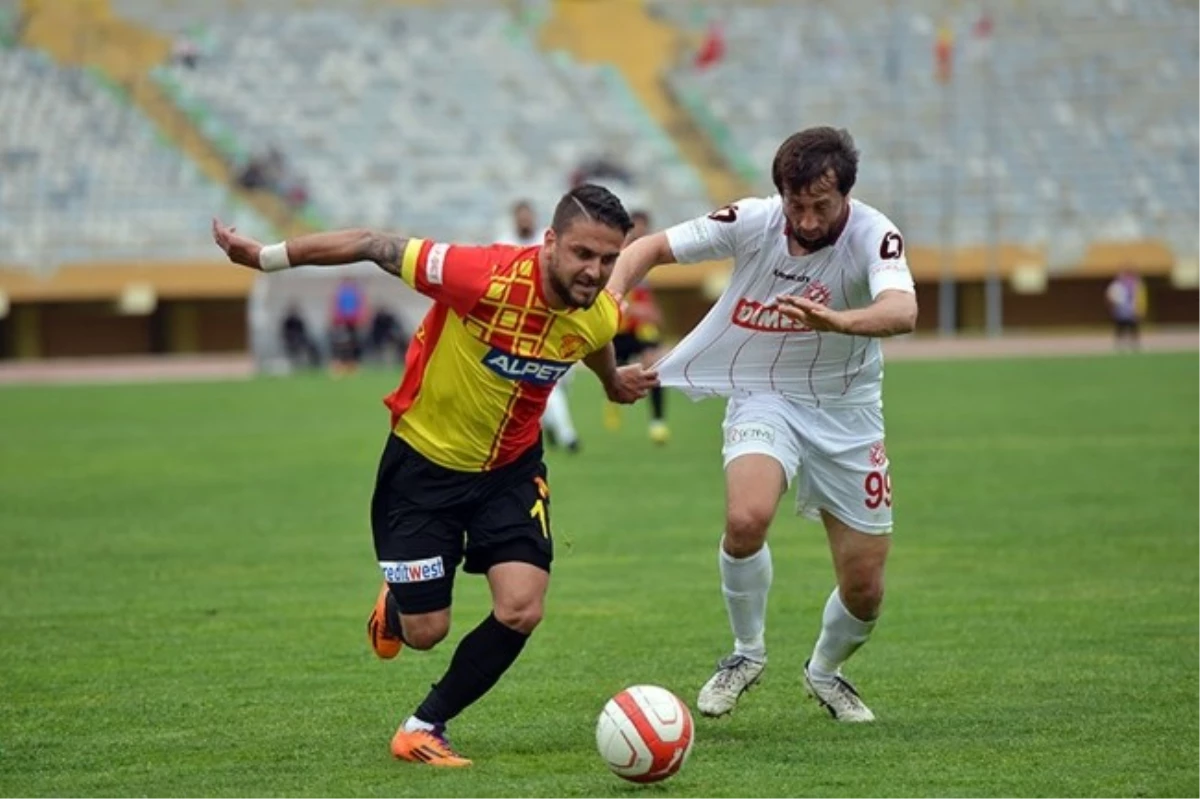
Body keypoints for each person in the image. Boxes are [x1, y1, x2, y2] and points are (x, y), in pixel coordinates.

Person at [212, 184, 657, 766]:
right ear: (550, 242)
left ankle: (423, 726)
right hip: (423, 466)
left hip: (512, 471)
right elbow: (373, 244)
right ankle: (398, 607)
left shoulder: (598, 310)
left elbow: (595, 337)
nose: (595, 271)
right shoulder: (479, 275)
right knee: (425, 632)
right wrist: (266, 258)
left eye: (607, 259)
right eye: (582, 254)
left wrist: (611, 380)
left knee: (522, 606)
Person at [608, 127, 918, 723]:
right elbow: (644, 249)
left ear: (845, 196)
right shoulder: (753, 220)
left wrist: (838, 322)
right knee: (746, 518)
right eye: (794, 204)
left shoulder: (874, 234)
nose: (804, 219)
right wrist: (611, 301)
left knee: (865, 589)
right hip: (764, 394)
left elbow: (902, 310)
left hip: (847, 409)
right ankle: (745, 655)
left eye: (819, 206)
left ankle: (824, 672)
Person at [496, 199, 582, 454]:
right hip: (522, 323)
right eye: (520, 216)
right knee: (545, 380)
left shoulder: (548, 241)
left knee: (562, 380)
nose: (524, 221)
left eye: (527, 216)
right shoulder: (504, 241)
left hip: (553, 317)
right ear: (514, 218)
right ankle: (569, 437)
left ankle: (549, 426)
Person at [606, 209, 669, 444]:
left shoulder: (650, 258)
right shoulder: (616, 257)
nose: (642, 233)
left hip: (640, 328)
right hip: (617, 325)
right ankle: (610, 397)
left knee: (653, 366)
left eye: (645, 228)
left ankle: (658, 422)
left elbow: (647, 298)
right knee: (613, 371)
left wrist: (651, 313)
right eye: (637, 229)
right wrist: (632, 309)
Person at [329, 277, 367, 375]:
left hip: (351, 321)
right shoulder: (343, 292)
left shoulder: (353, 292)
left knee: (353, 343)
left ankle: (351, 364)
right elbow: (336, 306)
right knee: (343, 344)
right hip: (344, 321)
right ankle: (341, 364)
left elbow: (359, 306)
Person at [1106, 267, 1147, 352]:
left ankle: (1134, 345)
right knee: (1121, 328)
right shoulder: (1117, 285)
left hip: (1132, 310)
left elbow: (1140, 297)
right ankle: (1119, 345)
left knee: (1133, 328)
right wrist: (1113, 306)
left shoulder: (1136, 284)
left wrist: (1140, 309)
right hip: (1121, 311)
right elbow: (1111, 296)